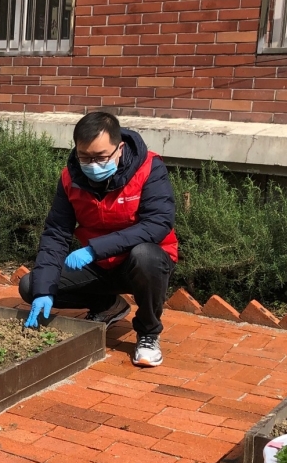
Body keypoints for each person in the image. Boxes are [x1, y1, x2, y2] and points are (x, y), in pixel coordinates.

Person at [20, 112, 178, 367]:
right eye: (85, 157)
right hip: (100, 266)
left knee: (145, 256)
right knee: (31, 285)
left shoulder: (149, 168)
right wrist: (43, 290)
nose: (93, 164)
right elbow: (56, 232)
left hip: (140, 262)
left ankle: (148, 333)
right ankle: (109, 305)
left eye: (101, 157)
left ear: (120, 148)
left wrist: (95, 250)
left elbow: (157, 224)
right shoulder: (70, 178)